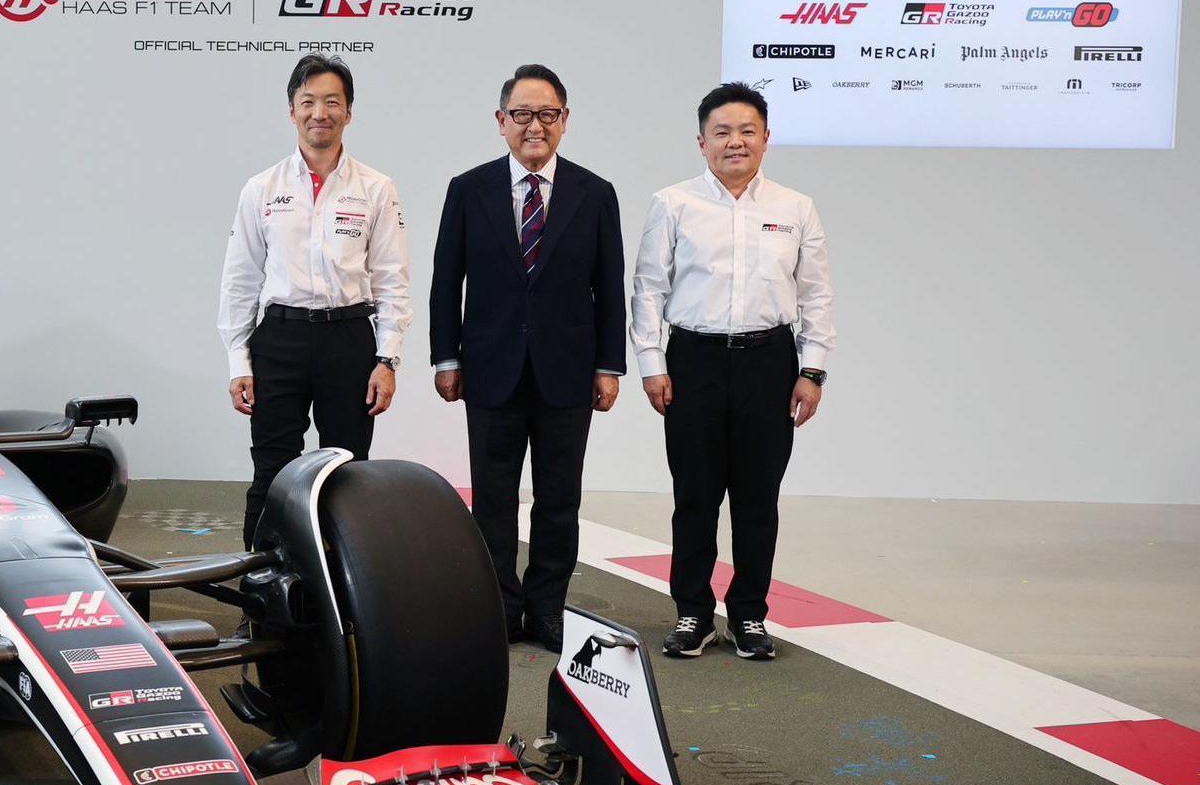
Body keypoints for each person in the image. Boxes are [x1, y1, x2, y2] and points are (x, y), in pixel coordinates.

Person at [630, 82, 837, 661]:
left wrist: (812, 370)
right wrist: (652, 364)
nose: (735, 142)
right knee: (693, 496)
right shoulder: (673, 203)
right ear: (701, 142)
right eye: (722, 132)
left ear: (767, 139)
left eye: (747, 130)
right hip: (691, 362)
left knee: (756, 499)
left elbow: (816, 295)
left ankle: (749, 615)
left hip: (771, 363)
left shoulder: (795, 209)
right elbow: (649, 289)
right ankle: (692, 612)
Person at [429, 64, 626, 653]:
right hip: (490, 369)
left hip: (568, 371)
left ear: (564, 121)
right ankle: (500, 606)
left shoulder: (595, 193)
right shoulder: (469, 189)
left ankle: (546, 608)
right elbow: (446, 282)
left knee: (559, 499)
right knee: (492, 499)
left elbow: (609, 286)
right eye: (522, 115)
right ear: (501, 122)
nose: (534, 126)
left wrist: (608, 367)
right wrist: (446, 357)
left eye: (547, 115)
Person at [219, 55, 411, 547]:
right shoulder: (261, 188)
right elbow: (240, 281)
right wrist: (239, 360)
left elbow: (392, 282)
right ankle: (263, 597)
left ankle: (344, 600)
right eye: (308, 102)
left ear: (349, 112)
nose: (319, 113)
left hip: (348, 341)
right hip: (278, 341)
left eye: (332, 102)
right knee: (272, 474)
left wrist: (387, 359)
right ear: (291, 111)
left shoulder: (376, 188)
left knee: (346, 478)